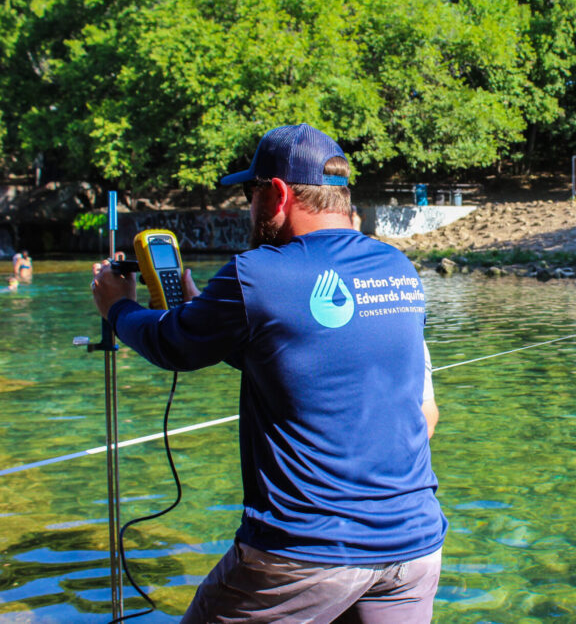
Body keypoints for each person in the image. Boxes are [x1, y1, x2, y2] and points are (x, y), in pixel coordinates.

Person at [91, 123, 446, 622]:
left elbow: (171, 344)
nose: (246, 207)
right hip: (414, 548)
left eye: (250, 192)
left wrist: (118, 309)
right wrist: (211, 314)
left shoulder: (256, 272)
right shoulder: (397, 269)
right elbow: (310, 355)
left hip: (306, 551)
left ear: (277, 193)